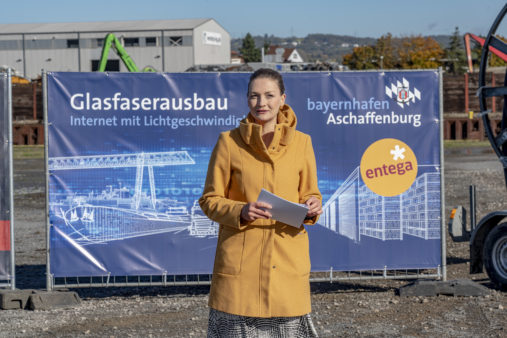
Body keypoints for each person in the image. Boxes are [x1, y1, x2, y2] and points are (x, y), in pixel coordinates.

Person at [199, 68, 322, 337]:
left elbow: (311, 193)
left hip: (287, 261)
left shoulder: (302, 143)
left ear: (282, 99)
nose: (261, 103)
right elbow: (209, 200)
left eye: (269, 95)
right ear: (247, 99)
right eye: (254, 96)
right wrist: (240, 210)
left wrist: (313, 205)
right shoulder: (228, 142)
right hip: (241, 267)